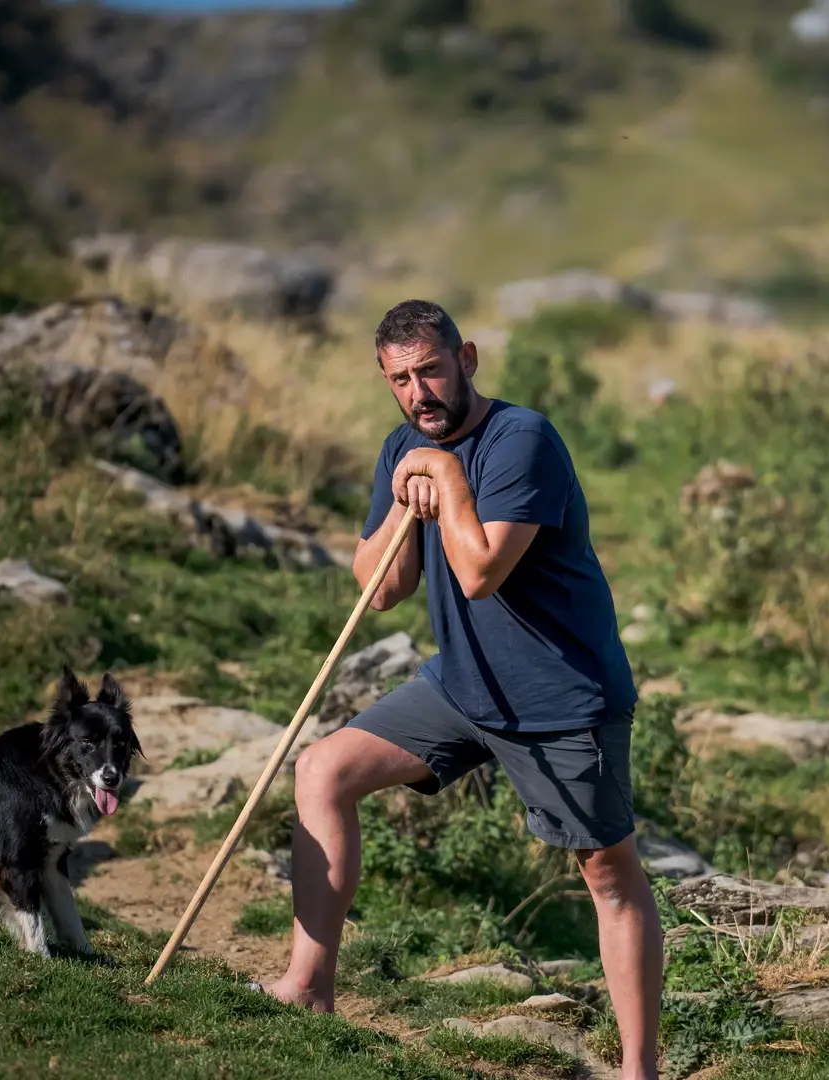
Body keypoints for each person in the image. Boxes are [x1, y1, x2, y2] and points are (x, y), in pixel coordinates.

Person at [257, 299, 661, 1079]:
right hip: (463, 686)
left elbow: (479, 572)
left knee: (609, 876)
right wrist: (404, 489)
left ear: (466, 359)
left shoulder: (523, 442)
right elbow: (383, 589)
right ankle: (308, 986)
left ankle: (639, 1070)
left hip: (561, 698)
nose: (419, 393)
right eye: (401, 379)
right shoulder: (402, 446)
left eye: (432, 370)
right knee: (322, 771)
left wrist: (444, 474)